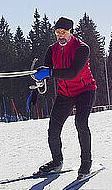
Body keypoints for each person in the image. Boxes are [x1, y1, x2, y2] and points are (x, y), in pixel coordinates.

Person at [30, 17, 97, 178]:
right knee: (53, 128)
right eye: (58, 32)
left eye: (64, 32)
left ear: (70, 32)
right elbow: (46, 73)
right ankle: (56, 162)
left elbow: (73, 72)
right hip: (65, 93)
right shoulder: (52, 50)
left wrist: (49, 72)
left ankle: (86, 163)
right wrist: (35, 90)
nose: (61, 36)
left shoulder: (82, 48)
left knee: (81, 123)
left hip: (85, 90)